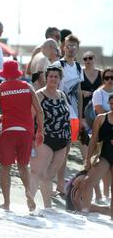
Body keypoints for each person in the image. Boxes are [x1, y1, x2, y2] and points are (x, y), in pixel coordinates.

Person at [0, 60, 44, 211]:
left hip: (8, 131)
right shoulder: (27, 87)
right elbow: (39, 111)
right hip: (26, 132)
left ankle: (7, 203)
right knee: (23, 166)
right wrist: (41, 130)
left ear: (4, 74)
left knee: (5, 168)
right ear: (17, 73)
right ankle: (29, 195)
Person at [30, 65, 71, 208]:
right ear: (46, 78)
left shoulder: (62, 95)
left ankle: (48, 207)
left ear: (60, 79)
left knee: (50, 176)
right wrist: (31, 139)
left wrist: (69, 139)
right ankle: (29, 207)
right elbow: (30, 118)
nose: (53, 79)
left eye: (56, 76)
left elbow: (67, 118)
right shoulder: (39, 95)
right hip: (44, 138)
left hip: (62, 140)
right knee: (37, 172)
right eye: (51, 76)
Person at [55, 34, 84, 195]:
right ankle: (52, 182)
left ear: (77, 48)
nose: (71, 48)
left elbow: (78, 93)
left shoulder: (79, 67)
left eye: (74, 45)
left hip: (72, 115)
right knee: (56, 151)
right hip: (58, 113)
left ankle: (60, 185)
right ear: (63, 47)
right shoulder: (58, 65)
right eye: (68, 45)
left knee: (65, 151)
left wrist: (79, 118)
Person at [81, 94, 113, 219]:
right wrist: (88, 160)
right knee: (88, 182)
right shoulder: (101, 118)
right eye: (111, 103)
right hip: (104, 154)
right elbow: (93, 140)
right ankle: (84, 214)